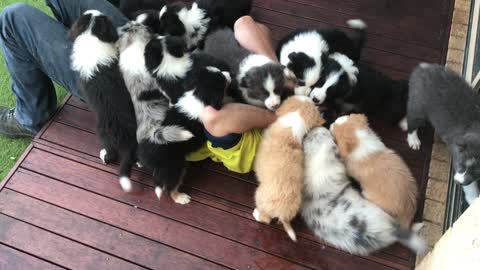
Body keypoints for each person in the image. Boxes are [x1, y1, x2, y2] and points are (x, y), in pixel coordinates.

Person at [0, 1, 278, 172]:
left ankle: (31, 117)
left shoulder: (252, 150)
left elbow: (215, 118)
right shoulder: (281, 93)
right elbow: (245, 24)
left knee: (13, 19)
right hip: (153, 53)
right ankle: (71, 37)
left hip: (126, 97)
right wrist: (279, 77)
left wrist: (278, 117)